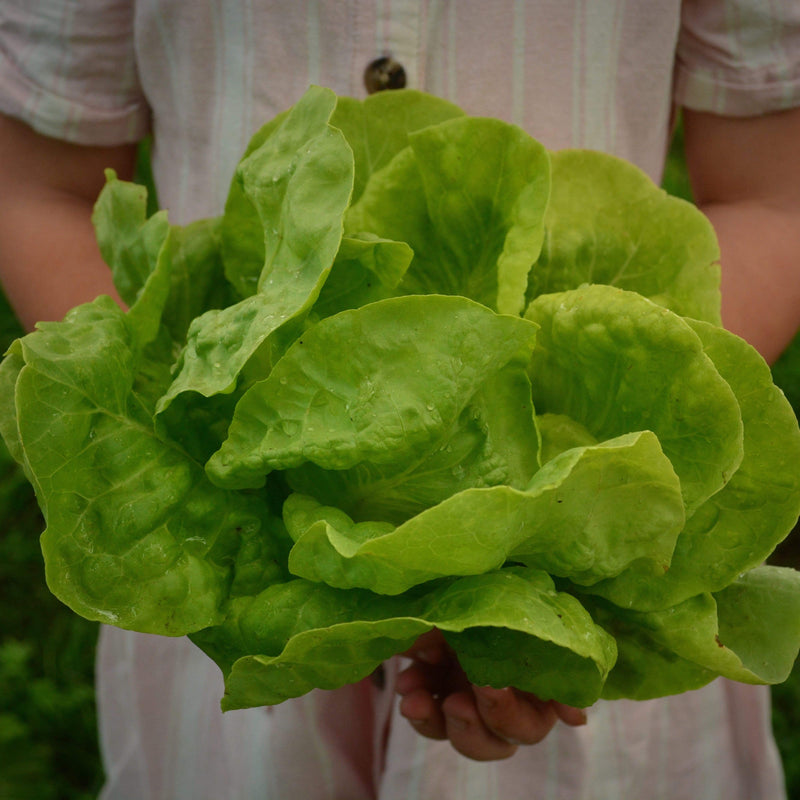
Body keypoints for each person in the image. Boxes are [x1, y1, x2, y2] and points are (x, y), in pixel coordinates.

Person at [1, 2, 799, 797]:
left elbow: (773, 194)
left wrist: (516, 556)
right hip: (228, 588)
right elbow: (43, 185)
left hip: (566, 598)